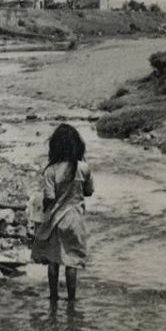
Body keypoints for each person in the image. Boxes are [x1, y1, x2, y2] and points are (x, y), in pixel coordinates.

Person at [31, 124, 94, 301]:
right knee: (71, 261)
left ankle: (53, 297)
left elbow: (49, 197)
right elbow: (89, 192)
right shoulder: (83, 168)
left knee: (53, 260)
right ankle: (72, 300)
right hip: (75, 219)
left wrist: (40, 205)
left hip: (55, 219)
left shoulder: (51, 171)